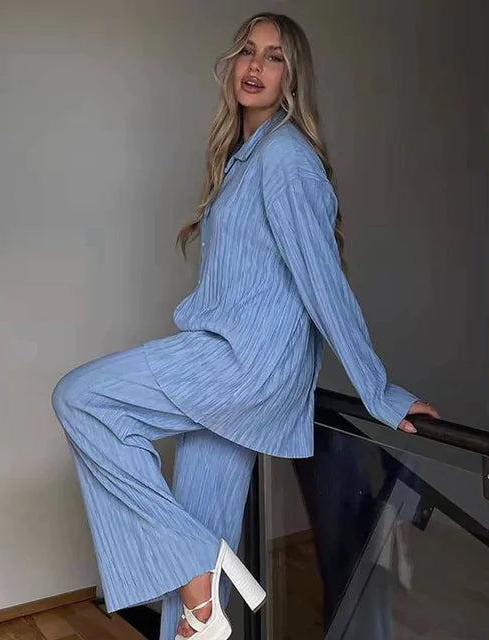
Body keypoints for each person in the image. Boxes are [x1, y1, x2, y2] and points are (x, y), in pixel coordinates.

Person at [51, 11, 440, 640]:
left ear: (292, 77)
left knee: (81, 397)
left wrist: (379, 391)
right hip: (236, 365)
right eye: (247, 51)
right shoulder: (242, 158)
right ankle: (200, 604)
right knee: (202, 578)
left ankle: (196, 565)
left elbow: (324, 284)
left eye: (274, 56)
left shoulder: (285, 157)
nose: (256, 65)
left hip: (243, 364)